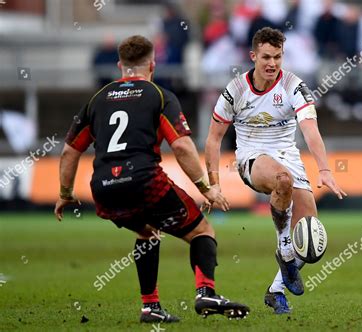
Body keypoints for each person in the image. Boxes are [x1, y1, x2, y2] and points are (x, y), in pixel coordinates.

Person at [54, 35, 249, 324]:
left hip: (104, 189)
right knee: (202, 231)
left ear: (120, 65)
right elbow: (181, 146)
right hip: (144, 181)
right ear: (153, 65)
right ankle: (206, 292)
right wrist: (205, 188)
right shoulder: (159, 95)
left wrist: (65, 192)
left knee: (147, 232)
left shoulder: (97, 99)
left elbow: (70, 151)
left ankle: (150, 307)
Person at [205, 27, 346, 314]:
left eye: (278, 57)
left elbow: (310, 128)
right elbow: (213, 138)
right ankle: (283, 249)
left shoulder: (294, 86)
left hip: (289, 158)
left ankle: (275, 290)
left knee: (311, 239)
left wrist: (324, 169)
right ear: (253, 56)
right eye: (266, 57)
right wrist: (213, 184)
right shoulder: (235, 90)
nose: (272, 63)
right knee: (282, 180)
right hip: (251, 158)